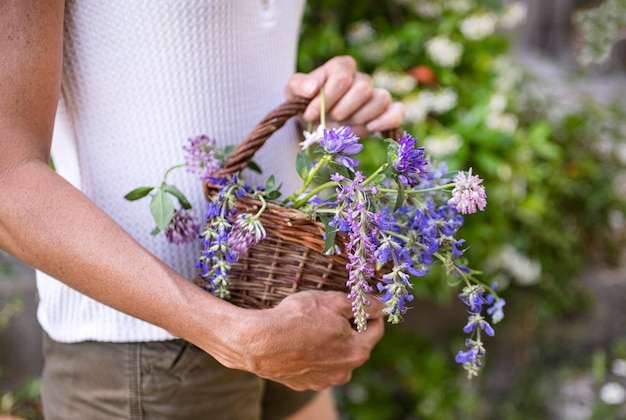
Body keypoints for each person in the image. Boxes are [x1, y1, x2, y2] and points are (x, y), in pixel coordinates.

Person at [0, 1, 405, 419]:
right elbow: (6, 179)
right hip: (150, 351)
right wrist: (231, 333)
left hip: (281, 297)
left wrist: (325, 116)